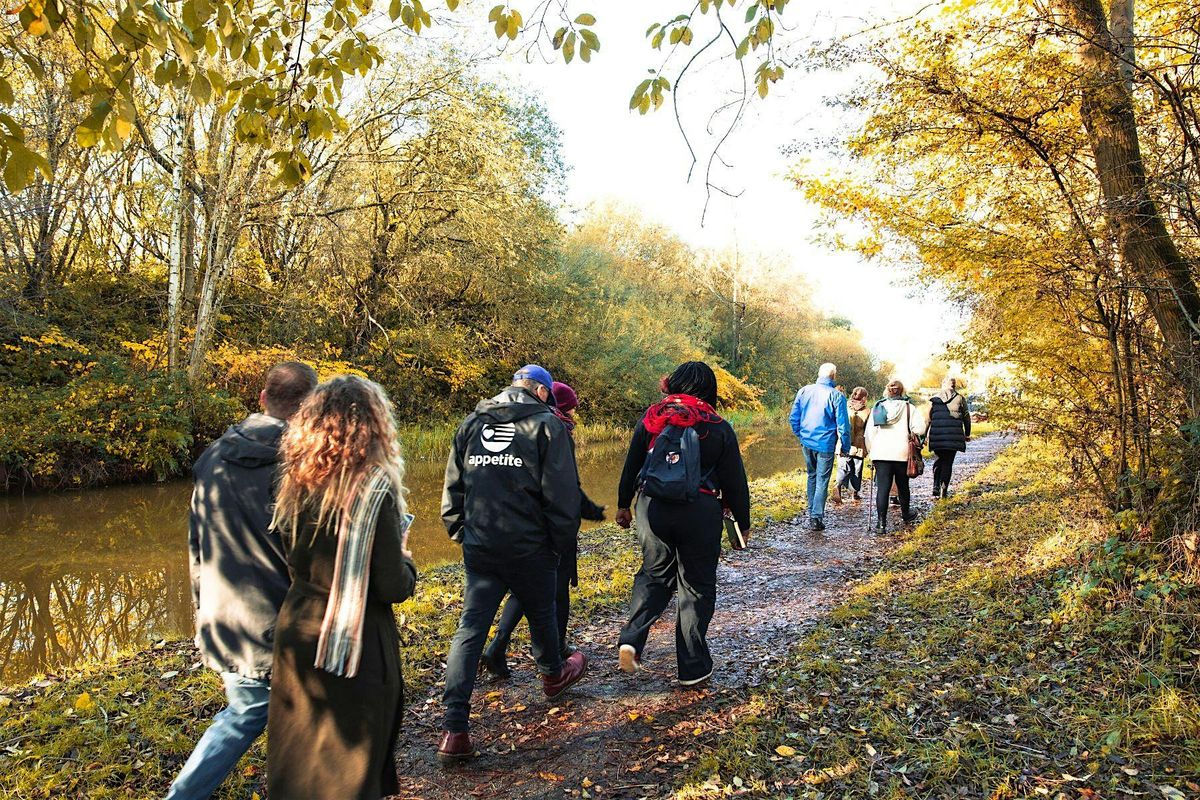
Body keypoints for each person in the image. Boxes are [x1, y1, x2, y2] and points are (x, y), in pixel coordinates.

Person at [167, 362, 317, 800]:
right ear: (308, 409)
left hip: (223, 614)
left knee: (269, 713)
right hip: (278, 623)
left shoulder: (212, 455)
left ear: (261, 399)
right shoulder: (300, 465)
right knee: (252, 713)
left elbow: (196, 543)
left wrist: (201, 610)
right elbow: (310, 555)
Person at [266, 376, 418, 800]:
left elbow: (291, 554)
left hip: (298, 626)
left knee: (301, 760)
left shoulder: (296, 480)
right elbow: (390, 585)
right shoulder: (373, 488)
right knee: (349, 769)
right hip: (355, 637)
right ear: (373, 425)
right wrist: (406, 560)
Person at [438, 365, 589, 764]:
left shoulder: (471, 422)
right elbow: (561, 497)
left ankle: (454, 730)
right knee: (542, 613)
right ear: (541, 392)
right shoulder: (547, 426)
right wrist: (558, 546)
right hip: (530, 546)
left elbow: (453, 489)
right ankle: (553, 677)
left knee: (469, 629)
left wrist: (462, 534)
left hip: (482, 544)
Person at [614, 361, 751, 687]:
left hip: (652, 507)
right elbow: (735, 480)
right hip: (700, 509)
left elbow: (632, 462)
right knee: (696, 587)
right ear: (709, 390)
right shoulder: (717, 424)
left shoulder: (652, 418)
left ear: (673, 384)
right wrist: (742, 523)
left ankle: (631, 640)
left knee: (654, 575)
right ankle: (692, 667)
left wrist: (623, 505)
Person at [480, 380, 606, 678]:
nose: (574, 414)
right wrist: (584, 512)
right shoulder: (556, 428)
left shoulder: (520, 426)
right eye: (571, 408)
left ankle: (497, 647)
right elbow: (566, 485)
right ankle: (556, 653)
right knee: (557, 587)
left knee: (524, 588)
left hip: (520, 522)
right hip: (551, 524)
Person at [788, 363, 852, 531]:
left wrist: (801, 435)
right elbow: (844, 426)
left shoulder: (804, 391)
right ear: (834, 376)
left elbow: (794, 417)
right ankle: (816, 517)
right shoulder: (837, 396)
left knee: (812, 476)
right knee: (822, 480)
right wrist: (845, 447)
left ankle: (812, 512)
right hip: (825, 443)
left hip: (807, 441)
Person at [864, 380, 927, 533]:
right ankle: (906, 514)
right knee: (902, 485)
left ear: (887, 391)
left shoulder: (878, 408)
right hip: (902, 452)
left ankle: (881, 523)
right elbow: (920, 428)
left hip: (880, 453)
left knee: (883, 488)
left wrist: (871, 452)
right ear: (902, 391)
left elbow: (869, 434)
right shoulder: (909, 408)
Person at [927, 377, 972, 499]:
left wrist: (924, 435)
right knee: (947, 463)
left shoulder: (934, 399)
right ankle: (943, 491)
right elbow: (967, 417)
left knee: (938, 459)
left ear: (943, 385)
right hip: (954, 436)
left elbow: (928, 419)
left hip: (937, 435)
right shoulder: (960, 398)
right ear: (954, 386)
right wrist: (967, 434)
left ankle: (935, 485)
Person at [833, 386, 870, 504]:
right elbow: (869, 431)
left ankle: (837, 486)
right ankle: (854, 494)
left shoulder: (844, 407)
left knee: (843, 468)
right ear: (864, 398)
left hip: (843, 443)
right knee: (857, 470)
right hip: (859, 445)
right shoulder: (867, 411)